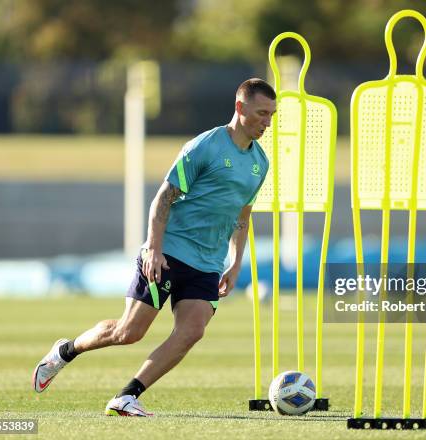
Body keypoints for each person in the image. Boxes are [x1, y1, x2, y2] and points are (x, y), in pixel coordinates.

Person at [32, 78, 276, 416]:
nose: (267, 123)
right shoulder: (204, 147)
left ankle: (127, 396)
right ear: (240, 108)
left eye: (271, 116)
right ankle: (65, 351)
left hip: (208, 263)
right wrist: (154, 249)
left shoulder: (260, 163)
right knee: (128, 332)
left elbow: (242, 216)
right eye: (262, 114)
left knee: (192, 331)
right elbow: (164, 198)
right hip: (170, 251)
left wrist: (235, 264)